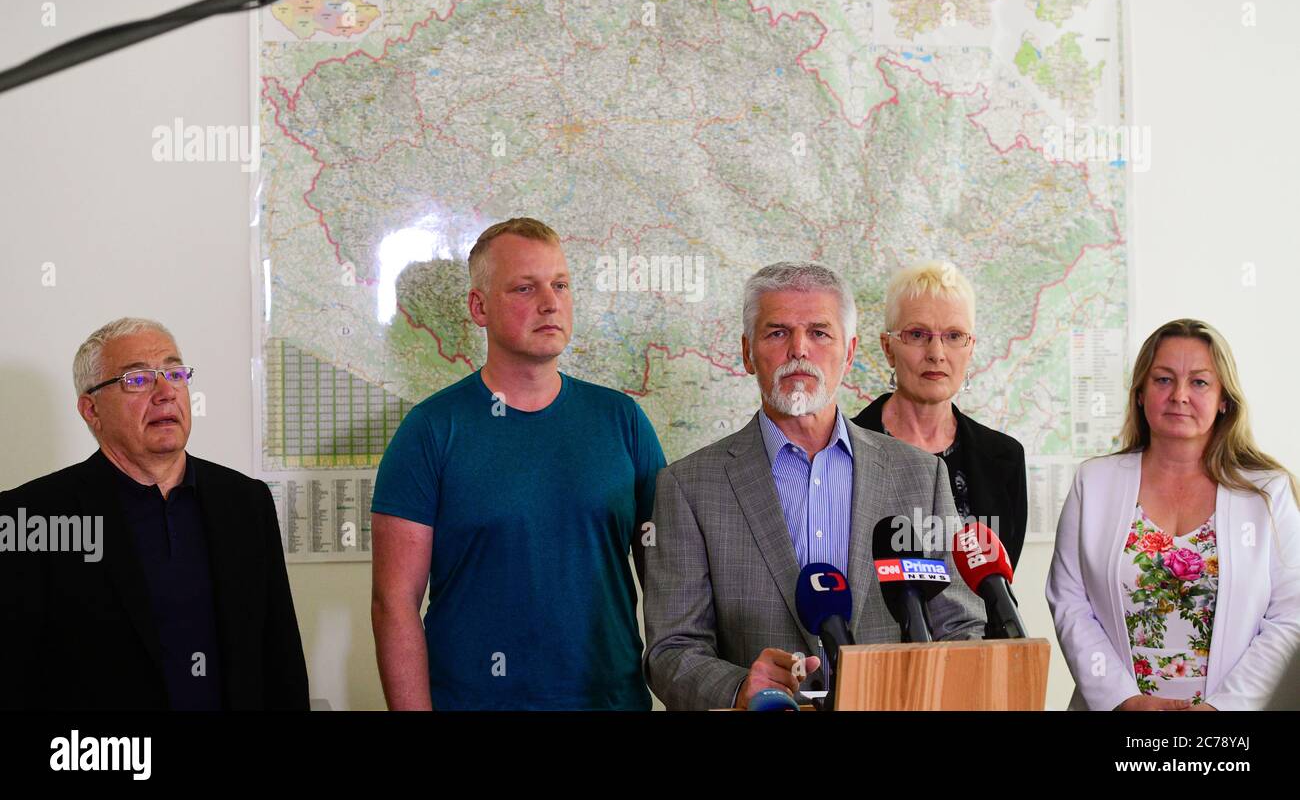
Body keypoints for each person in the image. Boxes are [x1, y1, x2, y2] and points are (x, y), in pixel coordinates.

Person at [643, 261, 984, 710]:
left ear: (849, 351)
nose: (799, 350)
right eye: (777, 333)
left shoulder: (921, 476)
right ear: (748, 353)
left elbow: (960, 626)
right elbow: (671, 651)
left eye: (820, 333)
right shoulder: (688, 487)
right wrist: (739, 686)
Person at [370, 217, 665, 710]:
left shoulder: (623, 421)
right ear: (479, 307)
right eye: (525, 288)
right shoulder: (430, 431)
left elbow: (670, 582)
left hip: (610, 702)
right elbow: (393, 605)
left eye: (561, 285)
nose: (550, 303)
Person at [0, 318, 309, 710]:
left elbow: (281, 658)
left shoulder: (246, 502)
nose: (166, 393)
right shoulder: (31, 517)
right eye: (138, 380)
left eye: (175, 373)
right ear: (91, 409)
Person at [1047, 319, 1300, 710]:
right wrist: (1123, 699)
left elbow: (1290, 615)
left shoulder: (1268, 491)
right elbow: (1069, 602)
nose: (1179, 395)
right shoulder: (1093, 483)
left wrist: (1225, 707)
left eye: (1199, 382)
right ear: (1141, 394)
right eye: (1163, 379)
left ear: (1223, 400)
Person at [852, 261, 1027, 568]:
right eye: (917, 334)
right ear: (888, 347)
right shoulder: (842, 453)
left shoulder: (1004, 459)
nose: (936, 352)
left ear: (970, 349)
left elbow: (999, 589)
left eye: (954, 335)